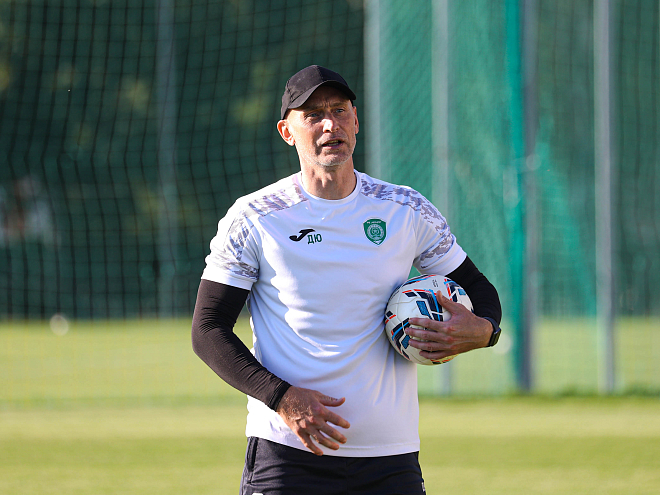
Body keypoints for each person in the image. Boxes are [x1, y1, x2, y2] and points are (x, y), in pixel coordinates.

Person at [192, 65, 502, 495]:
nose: (329, 124)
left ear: (356, 121)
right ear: (287, 131)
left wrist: (484, 332)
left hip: (390, 459)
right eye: (313, 115)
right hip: (288, 456)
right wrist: (281, 397)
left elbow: (480, 291)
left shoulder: (405, 208)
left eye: (339, 110)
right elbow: (207, 329)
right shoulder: (255, 217)